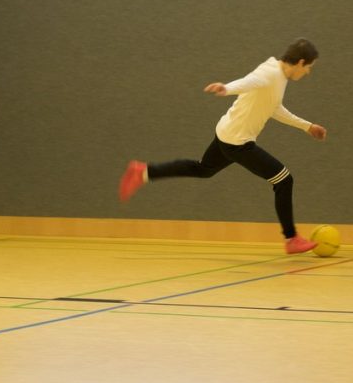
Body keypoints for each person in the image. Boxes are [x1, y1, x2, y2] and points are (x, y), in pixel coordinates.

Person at [118, 38, 327, 254]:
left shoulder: (278, 75)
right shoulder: (270, 73)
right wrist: (226, 88)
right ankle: (291, 238)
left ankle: (143, 172)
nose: (308, 72)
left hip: (226, 132)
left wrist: (307, 126)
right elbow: (248, 82)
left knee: (203, 169)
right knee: (284, 180)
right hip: (238, 142)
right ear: (300, 62)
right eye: (309, 67)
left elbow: (274, 108)